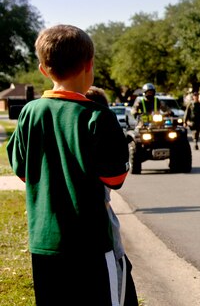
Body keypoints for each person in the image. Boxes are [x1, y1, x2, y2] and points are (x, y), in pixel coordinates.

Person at [7, 24, 131, 305]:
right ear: (90, 65)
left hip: (43, 244)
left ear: (42, 69)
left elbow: (23, 170)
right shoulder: (98, 117)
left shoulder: (29, 113)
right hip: (91, 245)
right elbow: (115, 178)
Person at [86, 86, 138, 306]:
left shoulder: (35, 113)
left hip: (51, 240)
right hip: (99, 230)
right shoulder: (101, 120)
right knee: (116, 287)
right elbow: (116, 179)